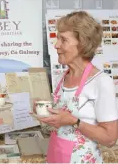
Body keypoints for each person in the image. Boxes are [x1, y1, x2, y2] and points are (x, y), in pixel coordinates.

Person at [38, 11, 118, 163]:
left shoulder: (101, 82)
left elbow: (110, 139)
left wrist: (74, 121)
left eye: (63, 40)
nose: (56, 45)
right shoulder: (62, 77)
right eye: (57, 38)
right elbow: (62, 125)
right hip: (56, 157)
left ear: (82, 44)